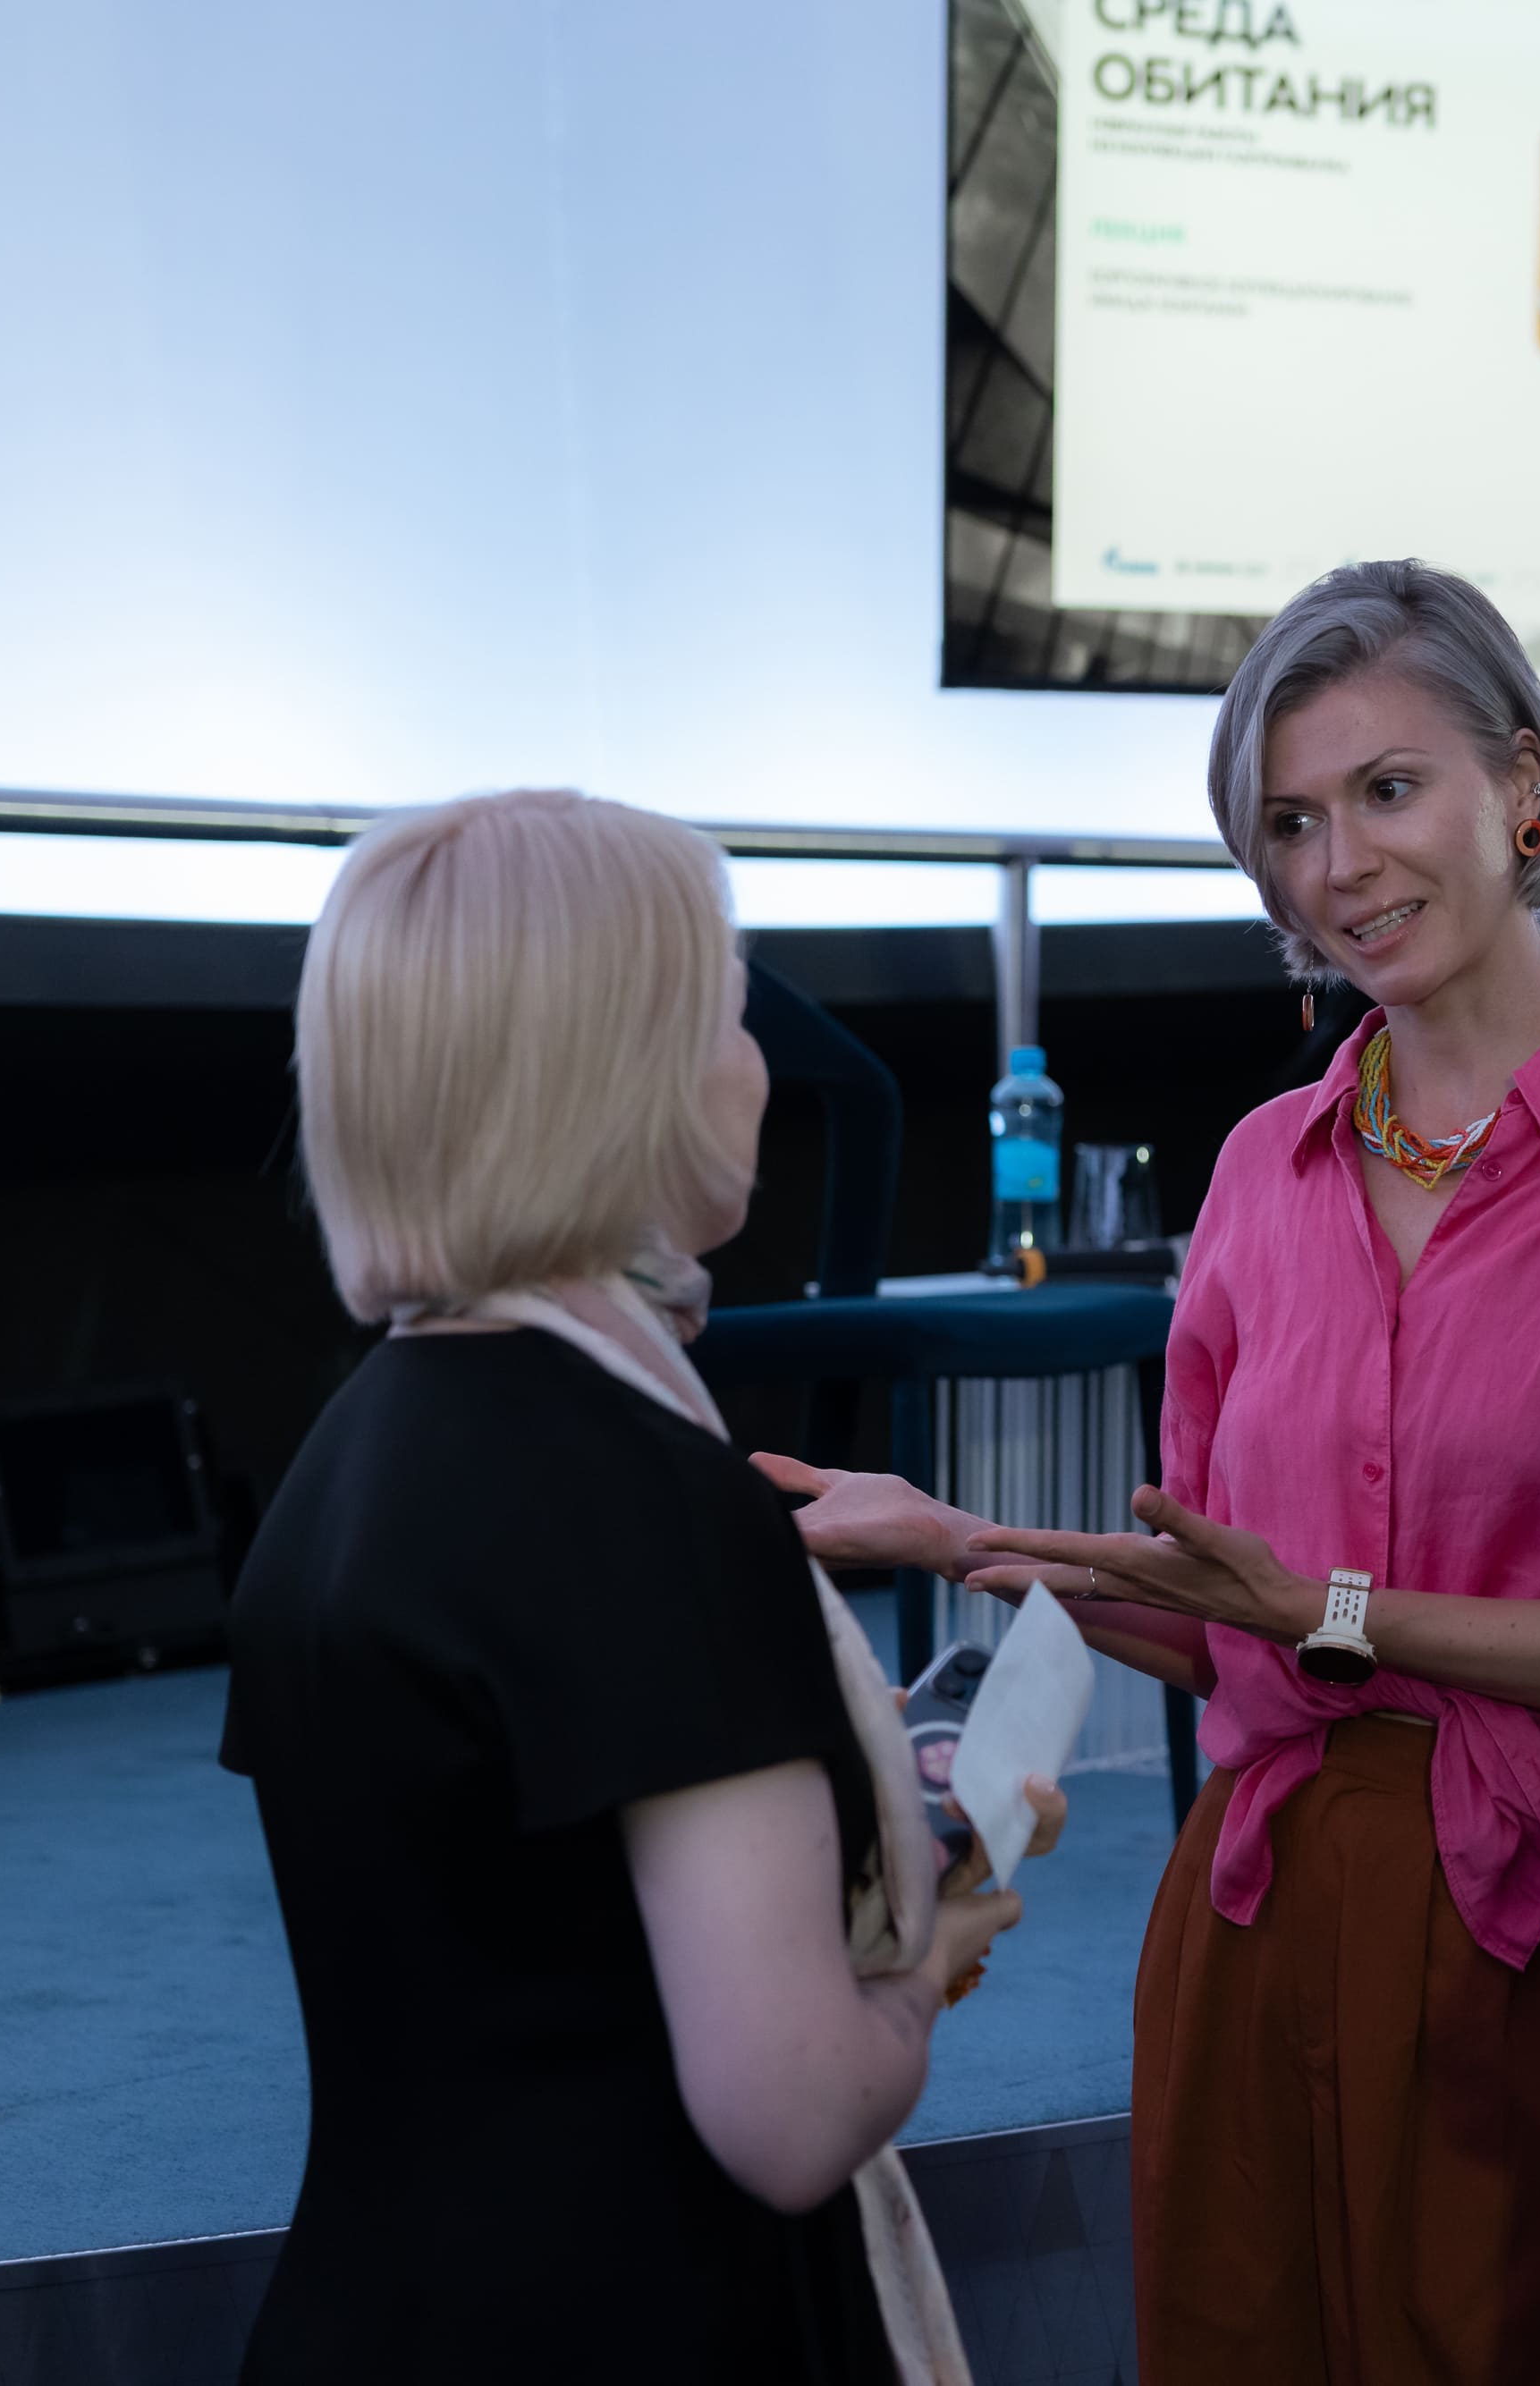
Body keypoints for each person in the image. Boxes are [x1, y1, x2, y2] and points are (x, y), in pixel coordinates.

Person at [763, 561, 1540, 2383]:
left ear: (1521, 782)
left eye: (1387, 789)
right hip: (1253, 1928)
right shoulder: (1265, 1162)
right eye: (1288, 821)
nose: (1341, 863)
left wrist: (1328, 1609)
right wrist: (966, 1540)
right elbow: (1222, 1615)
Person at [222, 788, 1059, 2385]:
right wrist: (925, 1952)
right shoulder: (652, 1498)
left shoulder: (343, 1459)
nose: (757, 1064)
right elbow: (794, 2113)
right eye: (731, 1012)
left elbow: (515, 1916)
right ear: (622, 1075)